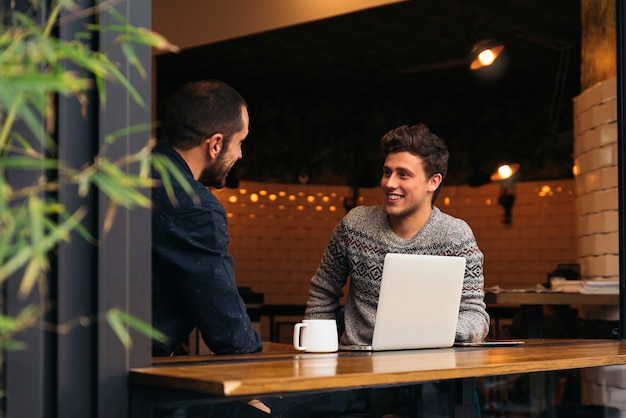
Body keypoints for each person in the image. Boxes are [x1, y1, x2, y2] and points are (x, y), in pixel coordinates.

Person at [253, 124, 489, 417]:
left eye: (403, 174)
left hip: (430, 374)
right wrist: (316, 358)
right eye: (387, 172)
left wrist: (433, 333)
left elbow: (476, 316)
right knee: (268, 409)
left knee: (458, 404)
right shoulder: (355, 224)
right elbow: (324, 289)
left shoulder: (456, 236)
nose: (390, 183)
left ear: (433, 181)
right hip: (357, 374)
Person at [151, 79, 262, 357]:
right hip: (130, 379)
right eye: (240, 141)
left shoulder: (131, 173)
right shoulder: (192, 206)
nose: (240, 154)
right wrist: (257, 391)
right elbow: (228, 327)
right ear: (215, 145)